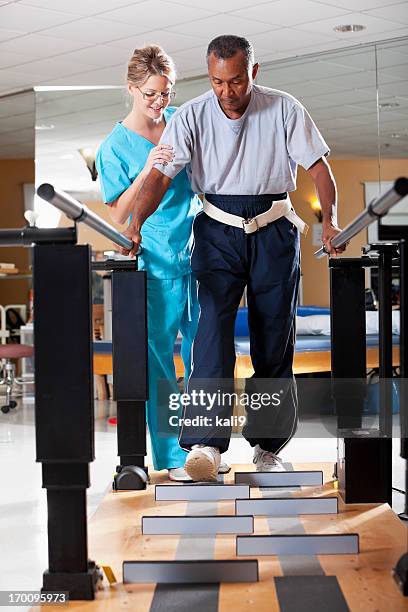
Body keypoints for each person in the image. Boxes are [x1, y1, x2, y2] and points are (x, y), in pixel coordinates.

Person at [120, 35, 346, 482]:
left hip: (273, 231)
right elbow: (161, 177)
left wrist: (331, 221)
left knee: (273, 339)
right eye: (218, 81)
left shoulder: (284, 108)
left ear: (253, 73)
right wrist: (134, 225)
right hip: (217, 231)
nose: (227, 91)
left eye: (237, 81)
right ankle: (206, 445)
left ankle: (267, 446)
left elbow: (318, 167)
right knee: (210, 338)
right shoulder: (192, 115)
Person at [96, 45, 229, 481]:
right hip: (153, 265)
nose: (160, 102)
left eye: (166, 92)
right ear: (132, 88)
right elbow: (117, 215)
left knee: (206, 358)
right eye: (152, 93)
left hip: (200, 254)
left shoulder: (179, 125)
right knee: (159, 367)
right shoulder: (114, 147)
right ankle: (172, 457)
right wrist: (145, 171)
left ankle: (205, 448)